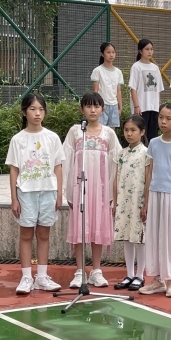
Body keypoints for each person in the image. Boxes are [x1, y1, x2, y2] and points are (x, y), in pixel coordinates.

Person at [6, 92, 64, 295]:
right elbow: (14, 169)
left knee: (44, 235)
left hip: (48, 191)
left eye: (41, 109)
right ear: (24, 112)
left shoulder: (52, 138)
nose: (37, 113)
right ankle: (26, 277)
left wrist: (59, 194)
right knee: (26, 235)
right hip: (26, 192)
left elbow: (58, 167)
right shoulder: (18, 139)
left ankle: (41, 277)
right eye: (32, 109)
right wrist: (14, 198)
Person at [62, 91, 120, 290]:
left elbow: (116, 163)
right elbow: (66, 161)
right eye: (88, 106)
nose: (93, 110)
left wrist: (112, 193)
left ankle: (96, 270)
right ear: (82, 109)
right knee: (80, 228)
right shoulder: (76, 131)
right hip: (81, 189)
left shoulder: (109, 133)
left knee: (98, 228)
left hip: (101, 190)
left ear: (103, 109)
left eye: (96, 106)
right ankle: (80, 271)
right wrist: (68, 191)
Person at [140, 102, 171, 298]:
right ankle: (157, 279)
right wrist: (146, 202)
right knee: (154, 237)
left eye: (168, 118)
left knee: (169, 239)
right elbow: (149, 173)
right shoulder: (153, 143)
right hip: (154, 194)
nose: (163, 121)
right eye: (161, 117)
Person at [113, 114, 150, 290]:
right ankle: (129, 273)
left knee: (140, 237)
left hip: (138, 201)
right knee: (126, 236)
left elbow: (148, 179)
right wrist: (114, 202)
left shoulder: (146, 153)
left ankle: (140, 275)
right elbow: (116, 178)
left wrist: (146, 203)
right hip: (124, 202)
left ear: (142, 132)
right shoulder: (121, 154)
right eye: (126, 130)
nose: (129, 133)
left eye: (133, 130)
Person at [129, 38, 163, 141]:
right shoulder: (136, 67)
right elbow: (133, 88)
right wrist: (136, 106)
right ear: (140, 51)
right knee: (141, 134)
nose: (150, 52)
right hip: (142, 107)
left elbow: (158, 89)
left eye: (151, 49)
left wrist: (158, 106)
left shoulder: (155, 68)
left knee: (153, 135)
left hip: (154, 108)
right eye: (147, 49)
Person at [91, 41, 124, 128]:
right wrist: (97, 106)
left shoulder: (118, 72)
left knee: (111, 131)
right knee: (100, 129)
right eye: (108, 52)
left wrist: (120, 107)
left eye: (113, 52)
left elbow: (118, 91)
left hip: (114, 105)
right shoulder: (97, 71)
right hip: (102, 105)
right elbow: (95, 91)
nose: (111, 55)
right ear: (102, 54)